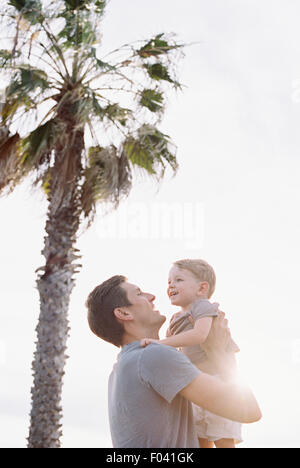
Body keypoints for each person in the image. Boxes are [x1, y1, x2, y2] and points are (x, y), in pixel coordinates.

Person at [86, 275, 261, 448]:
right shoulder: (153, 356)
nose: (151, 296)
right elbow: (249, 410)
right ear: (124, 313)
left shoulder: (123, 367)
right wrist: (218, 351)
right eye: (139, 294)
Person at [141, 259, 242, 448]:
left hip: (218, 381)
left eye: (178, 280)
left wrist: (160, 343)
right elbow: (169, 351)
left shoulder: (203, 307)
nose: (171, 285)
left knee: (222, 436)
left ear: (201, 288)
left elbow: (199, 335)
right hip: (195, 385)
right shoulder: (174, 319)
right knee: (198, 438)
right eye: (169, 281)